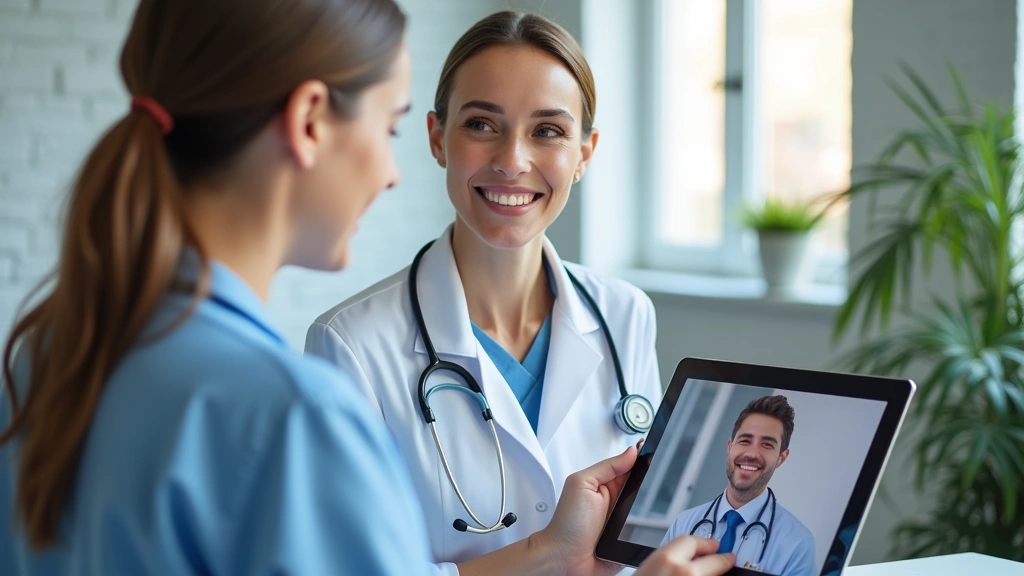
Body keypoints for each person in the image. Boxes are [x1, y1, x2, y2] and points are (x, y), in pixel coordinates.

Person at [0, 1, 734, 575]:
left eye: (548, 131)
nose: (389, 173)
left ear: (584, 152)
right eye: (390, 126)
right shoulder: (293, 411)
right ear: (310, 121)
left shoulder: (50, 348)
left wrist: (552, 555)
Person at [305, 11, 662, 572]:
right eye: (481, 124)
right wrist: (545, 556)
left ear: (585, 154)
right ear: (436, 137)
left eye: (548, 131)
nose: (512, 161)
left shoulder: (626, 315)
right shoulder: (351, 345)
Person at [661, 396, 815, 576]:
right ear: (729, 446)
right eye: (744, 441)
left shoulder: (798, 543)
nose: (751, 453)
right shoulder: (684, 523)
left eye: (766, 444)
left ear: (782, 457)